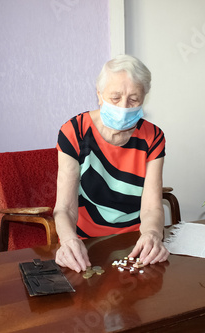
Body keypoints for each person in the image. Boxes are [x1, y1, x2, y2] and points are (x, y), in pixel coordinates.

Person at [54, 55, 169, 273]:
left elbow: (152, 207)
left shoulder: (153, 137)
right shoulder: (74, 132)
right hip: (85, 243)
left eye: (134, 99)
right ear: (99, 94)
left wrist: (152, 235)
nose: (124, 107)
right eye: (115, 98)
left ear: (144, 98)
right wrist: (68, 241)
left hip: (135, 242)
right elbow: (65, 208)